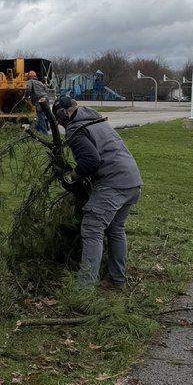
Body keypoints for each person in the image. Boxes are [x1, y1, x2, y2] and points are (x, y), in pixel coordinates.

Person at [54, 92, 142, 289]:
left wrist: (73, 176)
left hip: (114, 183)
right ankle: (116, 280)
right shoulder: (95, 120)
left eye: (59, 120)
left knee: (92, 228)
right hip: (132, 180)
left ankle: (84, 289)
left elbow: (90, 161)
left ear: (63, 114)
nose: (60, 125)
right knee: (115, 228)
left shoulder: (76, 129)